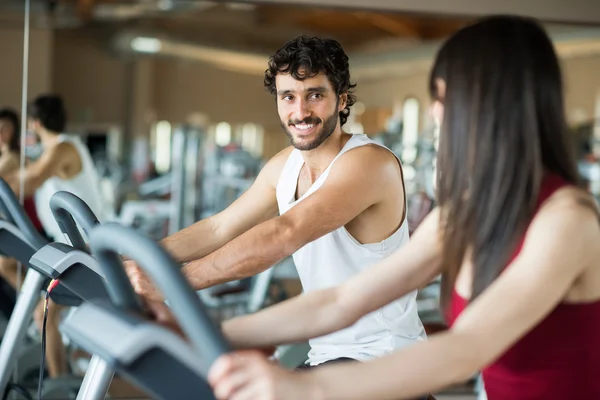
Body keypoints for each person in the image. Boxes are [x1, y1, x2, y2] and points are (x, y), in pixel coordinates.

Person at [206, 15, 600, 400]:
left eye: (444, 98)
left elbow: (467, 347)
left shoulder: (566, 220)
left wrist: (301, 388)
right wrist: (216, 333)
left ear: (490, 103)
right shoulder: (468, 210)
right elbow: (342, 301)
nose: (435, 112)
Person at [127, 35, 426, 368]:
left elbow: (283, 233)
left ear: (342, 100)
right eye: (288, 97)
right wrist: (136, 259)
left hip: (384, 359)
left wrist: (170, 282)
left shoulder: (369, 162)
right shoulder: (286, 164)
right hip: (327, 354)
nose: (300, 111)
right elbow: (218, 227)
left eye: (315, 95)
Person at [3, 94, 107, 378]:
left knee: (44, 315)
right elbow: (28, 172)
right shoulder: (56, 148)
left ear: (35, 124)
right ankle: (64, 369)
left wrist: (10, 171)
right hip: (66, 245)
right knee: (7, 266)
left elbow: (33, 179)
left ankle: (61, 383)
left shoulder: (63, 148)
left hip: (85, 248)